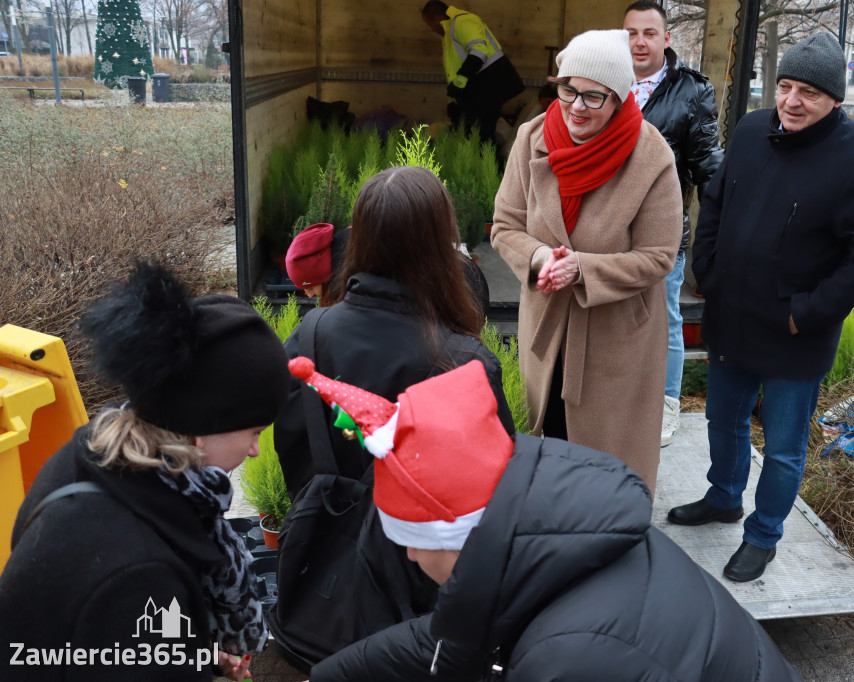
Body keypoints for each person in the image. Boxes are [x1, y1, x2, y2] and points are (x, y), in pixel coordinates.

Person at [285, 358, 803, 682]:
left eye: (413, 540)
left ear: (463, 533)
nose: (411, 556)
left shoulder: (566, 662)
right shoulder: (565, 540)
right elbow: (448, 637)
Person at [667, 33, 854, 583]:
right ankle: (724, 497)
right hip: (734, 313)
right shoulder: (751, 130)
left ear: (835, 100)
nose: (792, 101)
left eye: (810, 93)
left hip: (797, 332)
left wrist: (806, 312)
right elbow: (716, 198)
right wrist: (709, 269)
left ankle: (764, 534)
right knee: (722, 421)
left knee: (785, 447)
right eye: (786, 86)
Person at [0, 263, 291, 681]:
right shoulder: (138, 576)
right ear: (201, 428)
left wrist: (194, 654)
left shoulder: (89, 457)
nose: (254, 449)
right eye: (254, 430)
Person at [271, 166, 515, 666]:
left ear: (358, 237)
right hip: (417, 608)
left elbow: (291, 447)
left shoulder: (310, 334)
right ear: (440, 243)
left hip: (317, 579)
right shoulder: (462, 361)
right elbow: (494, 499)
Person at [490, 29, 683, 492]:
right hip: (547, 323)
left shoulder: (651, 155)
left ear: (618, 98)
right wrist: (538, 257)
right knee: (547, 440)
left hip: (616, 336)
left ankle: (606, 537)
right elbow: (504, 225)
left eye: (594, 97)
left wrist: (584, 268)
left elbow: (659, 256)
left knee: (605, 458)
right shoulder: (531, 137)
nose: (576, 106)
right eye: (567, 88)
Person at [623, 0, 723, 447]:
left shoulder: (692, 91)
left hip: (661, 231)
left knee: (664, 321)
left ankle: (665, 406)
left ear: (667, 39)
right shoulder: (606, 82)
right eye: (631, 33)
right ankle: (619, 400)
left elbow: (707, 165)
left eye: (649, 33)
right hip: (604, 231)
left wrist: (724, 232)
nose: (639, 41)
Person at [286, 221, 490, 314]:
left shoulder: (357, 273)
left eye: (309, 286)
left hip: (461, 300)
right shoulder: (355, 243)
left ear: (321, 273)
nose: (308, 295)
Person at [420, 1, 524, 144]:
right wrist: (453, 102)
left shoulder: (463, 22)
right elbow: (453, 72)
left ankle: (487, 164)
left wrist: (461, 81)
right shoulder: (449, 32)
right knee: (477, 135)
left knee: (482, 135)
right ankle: (485, 163)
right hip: (481, 88)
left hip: (490, 86)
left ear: (438, 18)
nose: (432, 29)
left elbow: (480, 50)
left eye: (430, 24)